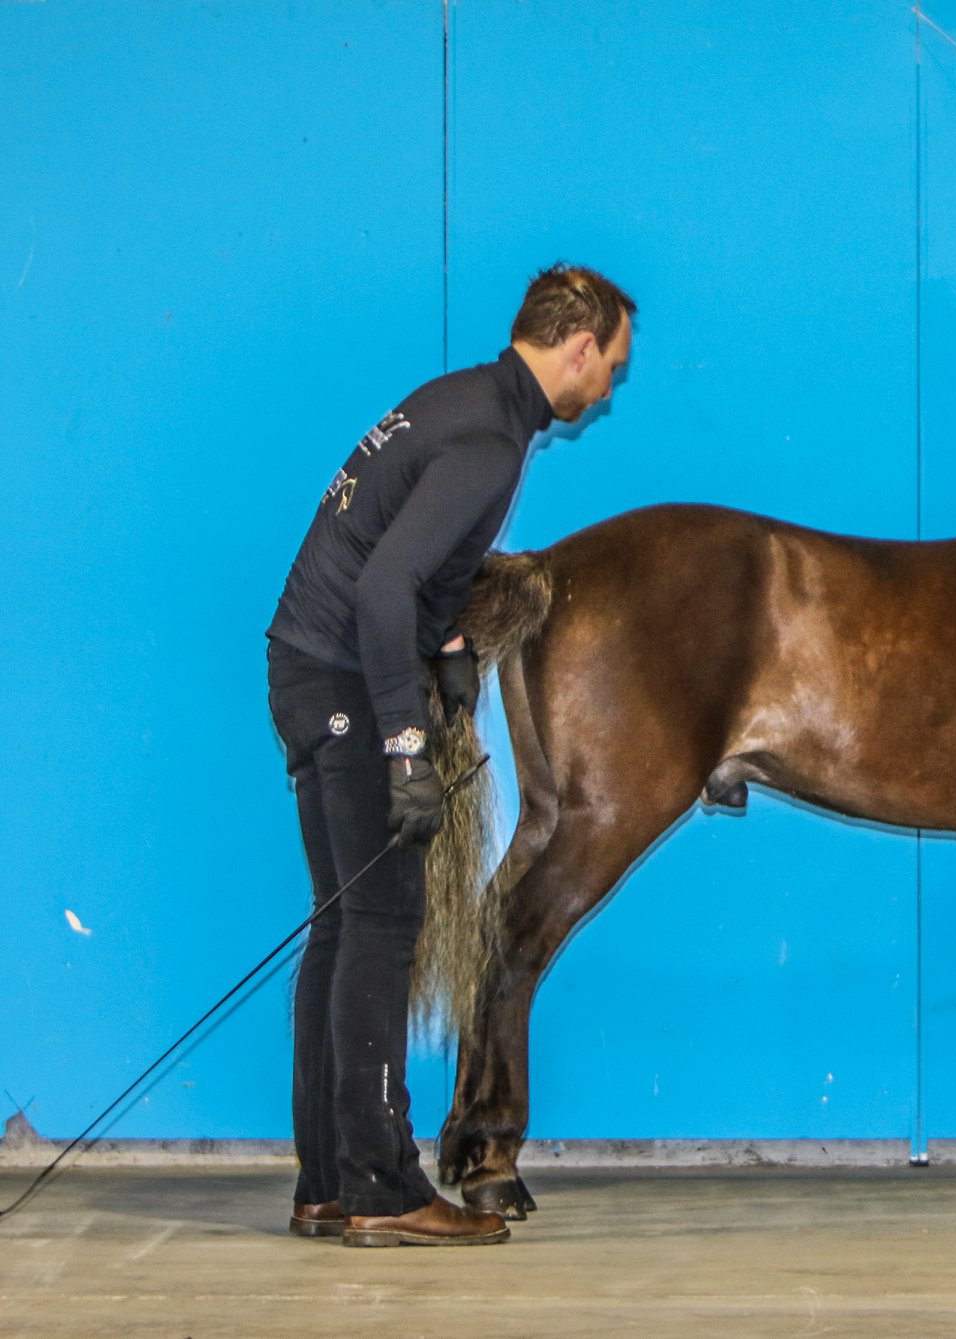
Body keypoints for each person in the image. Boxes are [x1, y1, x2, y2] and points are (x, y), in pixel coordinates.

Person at [265, 264, 634, 1246]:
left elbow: (416, 571)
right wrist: (403, 742)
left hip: (306, 671)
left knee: (343, 930)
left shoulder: (459, 401)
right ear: (578, 346)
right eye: (611, 369)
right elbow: (384, 588)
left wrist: (457, 651)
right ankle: (383, 1193)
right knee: (381, 927)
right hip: (344, 686)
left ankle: (328, 1183)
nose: (608, 390)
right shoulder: (484, 439)